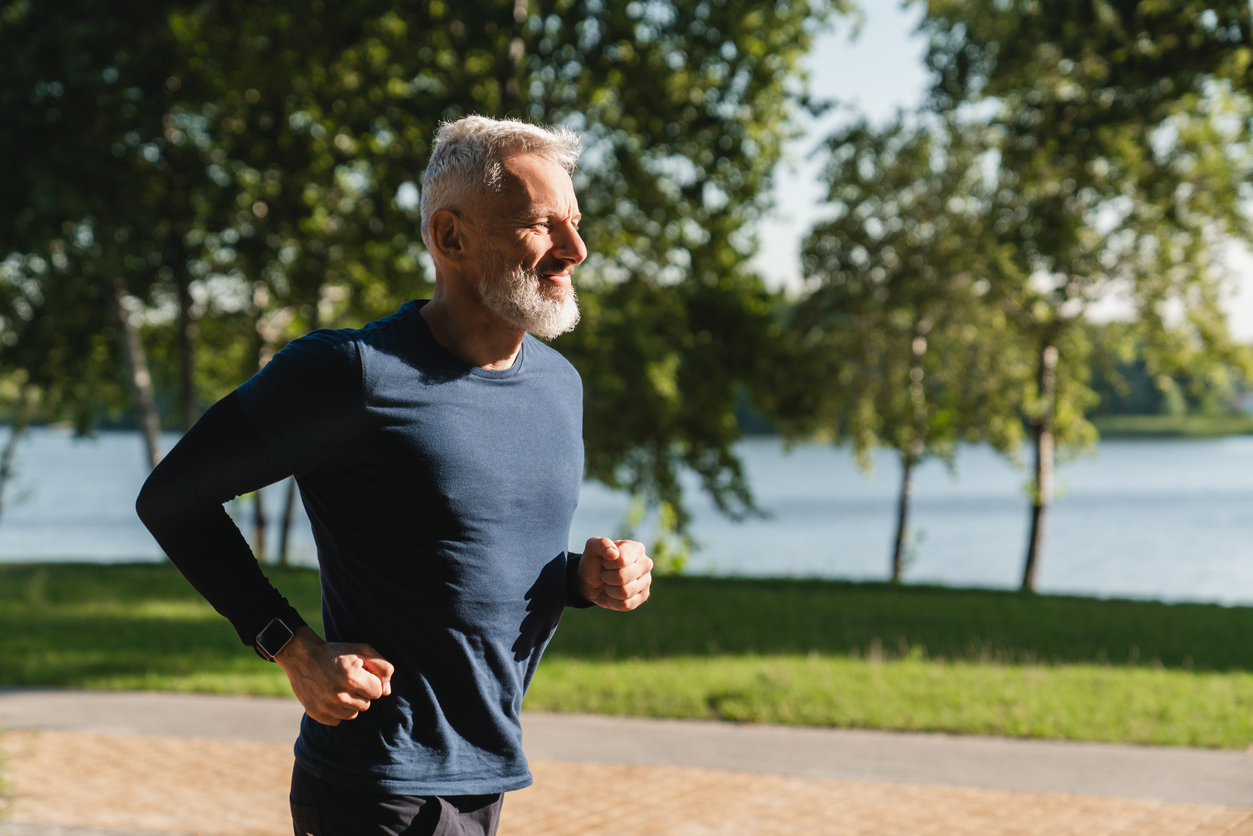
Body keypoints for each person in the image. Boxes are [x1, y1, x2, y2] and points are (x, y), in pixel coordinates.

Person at [136, 115, 654, 836]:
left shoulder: (557, 386)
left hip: (485, 774)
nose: (576, 250)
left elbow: (466, 555)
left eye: (574, 222)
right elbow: (174, 498)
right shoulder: (351, 374)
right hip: (373, 783)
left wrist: (581, 580)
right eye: (541, 226)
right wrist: (291, 645)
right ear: (450, 237)